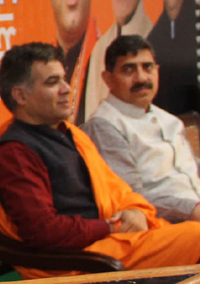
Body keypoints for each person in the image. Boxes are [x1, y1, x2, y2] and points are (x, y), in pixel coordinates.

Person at [0, 42, 200, 280]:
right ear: (20, 95)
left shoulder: (70, 135)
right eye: (52, 83)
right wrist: (110, 226)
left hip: (112, 242)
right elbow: (44, 231)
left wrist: (135, 211)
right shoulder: (14, 153)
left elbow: (118, 191)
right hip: (82, 261)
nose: (67, 89)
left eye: (64, 80)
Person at [83, 35, 200, 223]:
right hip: (163, 224)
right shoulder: (104, 126)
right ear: (108, 79)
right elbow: (130, 196)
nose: (141, 77)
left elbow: (188, 169)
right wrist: (191, 209)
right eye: (128, 69)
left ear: (157, 71)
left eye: (148, 67)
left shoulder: (167, 120)